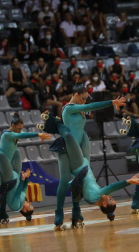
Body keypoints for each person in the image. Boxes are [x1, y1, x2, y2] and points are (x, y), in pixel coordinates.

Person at [45, 84, 127, 230]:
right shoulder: (69, 108)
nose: (84, 101)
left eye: (86, 99)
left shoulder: (80, 107)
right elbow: (94, 106)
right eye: (83, 98)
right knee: (64, 180)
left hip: (79, 145)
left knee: (80, 179)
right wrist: (111, 102)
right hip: (67, 147)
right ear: (76, 94)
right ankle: (59, 214)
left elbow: (84, 122)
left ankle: (77, 213)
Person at [0, 113, 51, 225]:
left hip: (9, 170)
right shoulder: (7, 134)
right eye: (18, 128)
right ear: (12, 125)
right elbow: (23, 136)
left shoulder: (18, 204)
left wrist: (23, 179)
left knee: (16, 152)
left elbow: (23, 135)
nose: (19, 131)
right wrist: (25, 178)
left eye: (21, 129)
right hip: (2, 166)